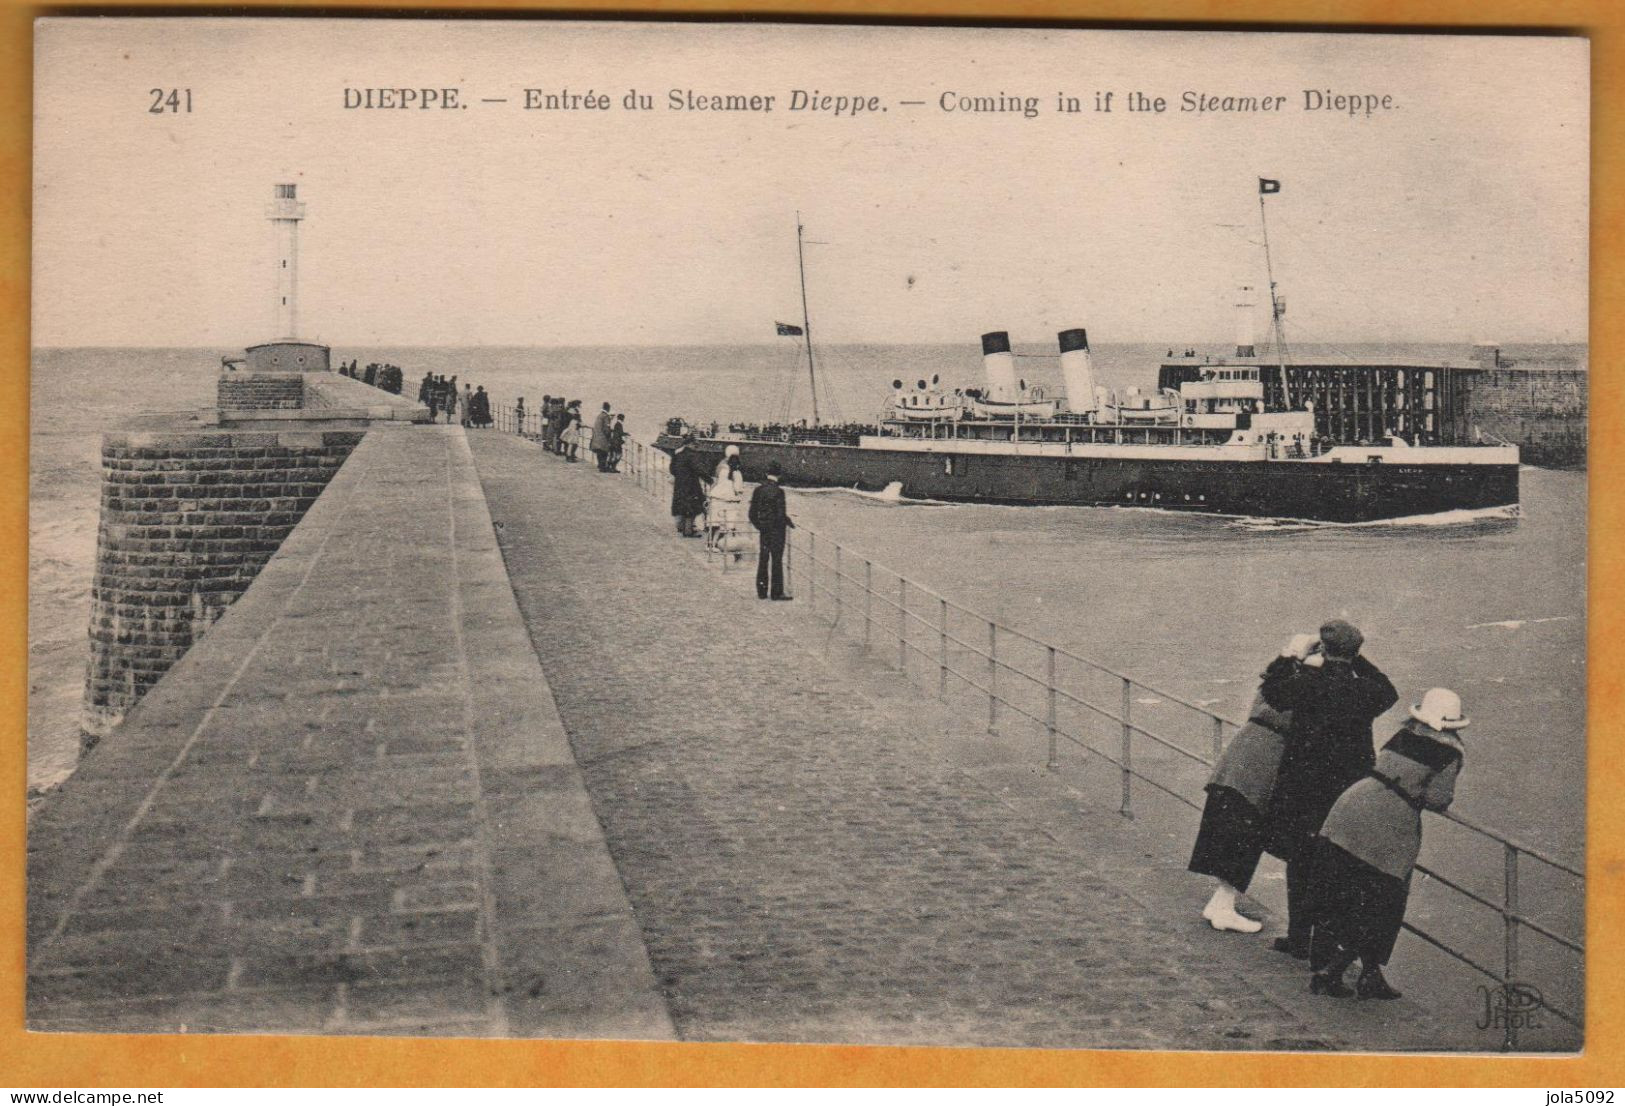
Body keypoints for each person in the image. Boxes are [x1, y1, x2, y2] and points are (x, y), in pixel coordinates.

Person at [1305, 688, 1467, 999]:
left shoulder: (1402, 735)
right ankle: (1332, 972)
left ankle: (1369, 975)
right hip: (1390, 827)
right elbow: (1437, 798)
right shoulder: (1450, 754)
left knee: (1348, 896)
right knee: (1381, 904)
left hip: (1350, 808)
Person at [1263, 620, 1399, 959]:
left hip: (1302, 787)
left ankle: (1298, 938)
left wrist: (1292, 656)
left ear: (1324, 649)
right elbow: (1388, 690)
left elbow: (1271, 690)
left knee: (1299, 861)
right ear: (1354, 654)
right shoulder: (1365, 692)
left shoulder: (1307, 683)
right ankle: (1326, 946)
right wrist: (1356, 659)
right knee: (1336, 868)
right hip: (1345, 792)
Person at [1187, 638, 1307, 933]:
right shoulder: (1300, 689)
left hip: (1239, 756)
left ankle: (1221, 901)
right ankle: (1224, 906)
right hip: (1262, 767)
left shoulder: (1275, 677)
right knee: (1246, 833)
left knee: (1228, 827)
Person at [748, 460, 794, 599]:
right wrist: (786, 522)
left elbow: (751, 513)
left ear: (767, 473)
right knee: (777, 561)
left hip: (764, 530)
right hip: (777, 531)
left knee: (763, 559)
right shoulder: (779, 492)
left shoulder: (758, 490)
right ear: (778, 475)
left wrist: (760, 526)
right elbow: (780, 514)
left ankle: (761, 591)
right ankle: (776, 592)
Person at [706, 444, 746, 555]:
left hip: (716, 498)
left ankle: (709, 544)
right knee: (726, 524)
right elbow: (738, 489)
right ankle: (719, 544)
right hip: (728, 501)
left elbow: (717, 482)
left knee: (714, 523)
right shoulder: (737, 474)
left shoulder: (722, 469)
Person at [669, 434, 708, 537]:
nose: (696, 446)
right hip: (692, 484)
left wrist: (680, 476)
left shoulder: (678, 454)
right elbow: (699, 469)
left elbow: (672, 469)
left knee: (681, 506)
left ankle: (682, 527)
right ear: (690, 444)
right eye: (695, 444)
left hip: (679, 484)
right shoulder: (693, 455)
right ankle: (688, 531)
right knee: (692, 508)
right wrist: (710, 480)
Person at [590, 401, 614, 471]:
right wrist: (609, 436)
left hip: (596, 436)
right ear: (608, 408)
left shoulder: (599, 415)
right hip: (602, 438)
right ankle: (603, 467)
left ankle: (600, 465)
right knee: (604, 452)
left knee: (599, 452)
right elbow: (607, 429)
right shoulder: (606, 416)